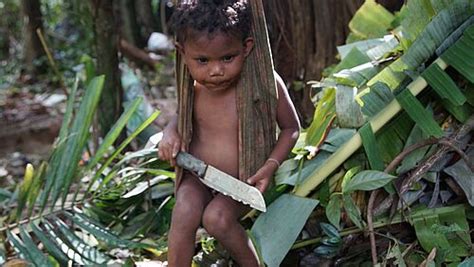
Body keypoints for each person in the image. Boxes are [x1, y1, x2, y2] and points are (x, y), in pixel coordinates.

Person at [158, 0, 300, 266]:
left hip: (242, 181)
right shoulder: (194, 88)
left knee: (217, 219)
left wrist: (270, 166)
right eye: (202, 60)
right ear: (182, 52)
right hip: (198, 174)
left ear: (246, 48)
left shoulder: (265, 84)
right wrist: (170, 132)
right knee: (184, 210)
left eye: (227, 58)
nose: (215, 70)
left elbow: (292, 128)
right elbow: (181, 116)